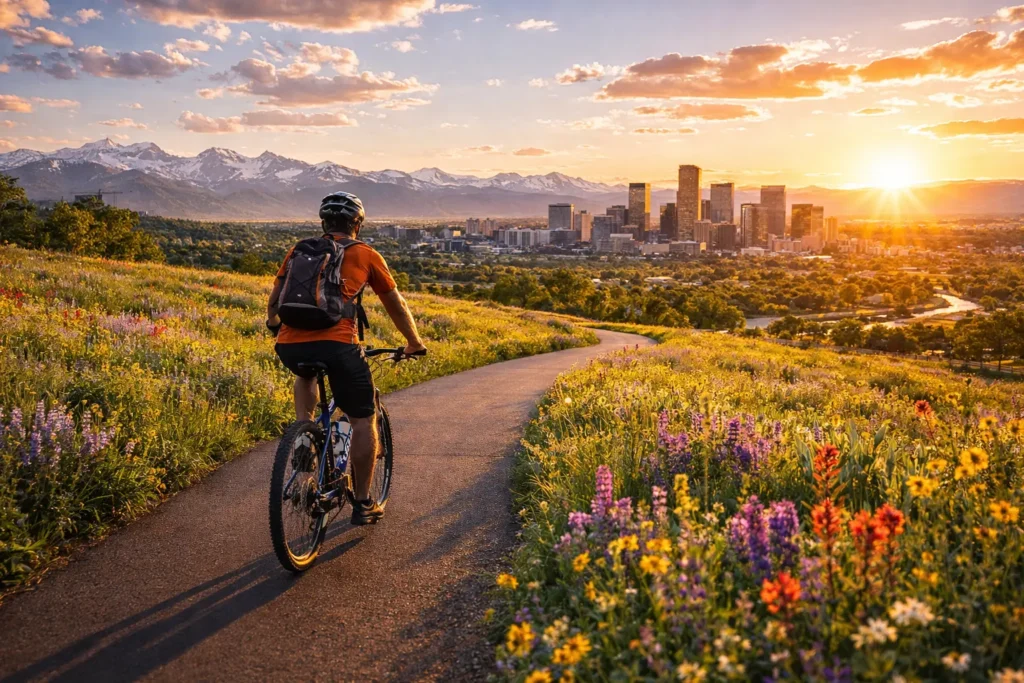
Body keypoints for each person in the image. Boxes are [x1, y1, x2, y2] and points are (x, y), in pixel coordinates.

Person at [266, 191, 426, 525]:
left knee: (306, 372)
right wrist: (413, 341)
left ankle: (304, 434)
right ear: (357, 224)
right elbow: (394, 303)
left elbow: (275, 301)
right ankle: (365, 502)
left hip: (290, 346)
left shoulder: (298, 249)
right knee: (362, 419)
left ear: (323, 223)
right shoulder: (365, 253)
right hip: (339, 345)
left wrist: (274, 327)